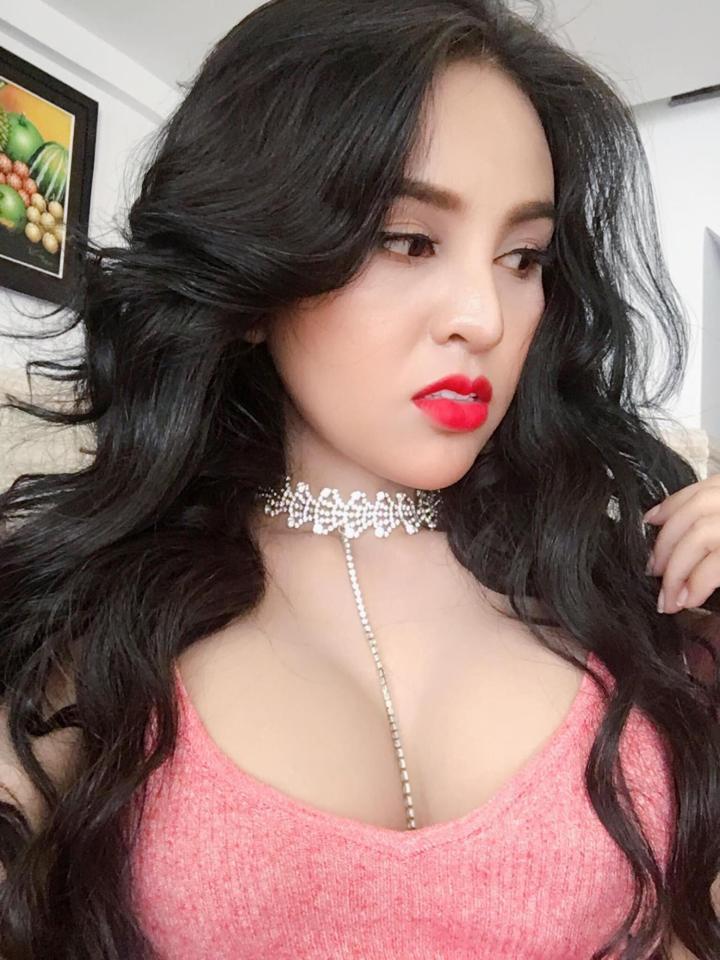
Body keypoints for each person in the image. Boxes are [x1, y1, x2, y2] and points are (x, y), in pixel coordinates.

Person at [0, 0, 718, 957]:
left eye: (522, 258)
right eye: (409, 241)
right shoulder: (92, 623)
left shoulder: (621, 583)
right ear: (255, 270)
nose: (485, 318)